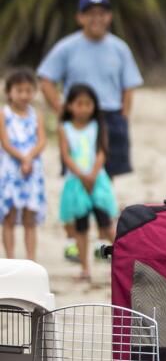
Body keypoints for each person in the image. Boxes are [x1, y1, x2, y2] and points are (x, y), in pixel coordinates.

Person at [37, 0, 142, 262]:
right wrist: (63, 111)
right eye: (90, 13)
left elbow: (129, 85)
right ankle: (75, 241)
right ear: (80, 17)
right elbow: (45, 78)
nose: (97, 18)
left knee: (105, 182)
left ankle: (100, 242)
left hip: (109, 118)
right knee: (76, 180)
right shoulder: (67, 46)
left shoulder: (119, 47)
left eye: (102, 13)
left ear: (109, 16)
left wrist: (124, 116)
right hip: (77, 122)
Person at [56, 84, 116, 284]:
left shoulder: (98, 126)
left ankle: (125, 261)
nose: (83, 108)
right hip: (76, 183)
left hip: (97, 181)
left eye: (88, 104)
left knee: (106, 225)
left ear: (94, 106)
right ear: (70, 106)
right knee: (80, 227)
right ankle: (84, 268)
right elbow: (66, 155)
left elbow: (101, 152)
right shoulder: (64, 129)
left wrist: (93, 174)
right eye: (79, 103)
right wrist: (82, 176)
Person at [0, 68, 47, 261]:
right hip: (11, 171)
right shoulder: (4, 114)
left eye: (28, 90)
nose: (24, 95)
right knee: (9, 217)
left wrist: (29, 158)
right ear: (9, 91)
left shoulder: (36, 115)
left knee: (30, 218)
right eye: (19, 90)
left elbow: (42, 141)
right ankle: (10, 259)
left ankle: (30, 259)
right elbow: (5, 143)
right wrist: (22, 158)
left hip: (32, 171)